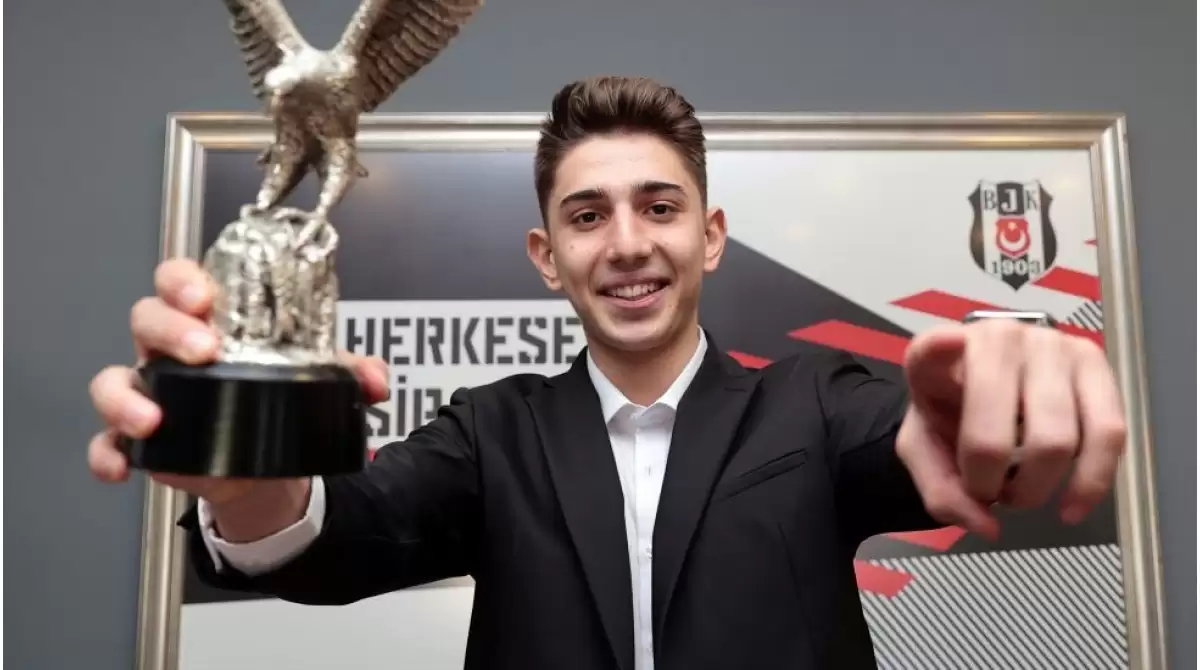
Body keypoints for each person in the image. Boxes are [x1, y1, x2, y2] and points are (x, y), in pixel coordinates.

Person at [87, 76, 1128, 670]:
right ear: (549, 257)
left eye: (659, 207)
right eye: (588, 216)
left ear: (710, 236)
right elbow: (332, 533)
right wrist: (243, 475)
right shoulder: (491, 434)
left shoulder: (814, 404)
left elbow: (918, 438)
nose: (628, 243)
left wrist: (1003, 394)